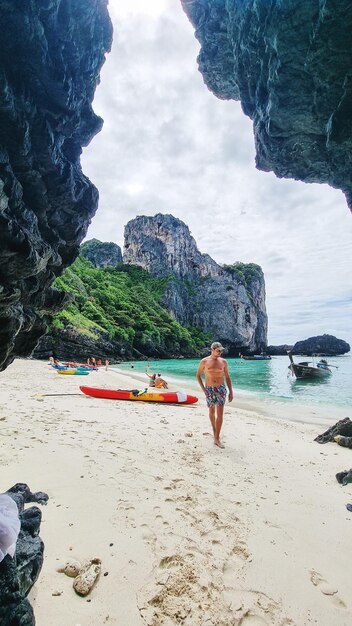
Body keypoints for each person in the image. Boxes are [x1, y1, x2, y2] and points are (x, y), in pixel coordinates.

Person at [196, 341, 233, 448]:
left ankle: (217, 438)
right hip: (210, 389)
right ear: (212, 350)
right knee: (212, 411)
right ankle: (214, 431)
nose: (220, 352)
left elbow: (227, 377)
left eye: (221, 350)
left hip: (221, 389)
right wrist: (204, 390)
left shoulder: (224, 362)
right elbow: (198, 375)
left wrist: (231, 391)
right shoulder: (204, 361)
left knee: (220, 413)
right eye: (218, 350)